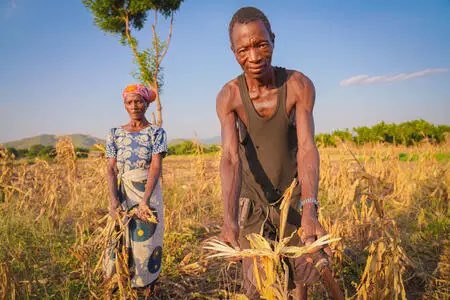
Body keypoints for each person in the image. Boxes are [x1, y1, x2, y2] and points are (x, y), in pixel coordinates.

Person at [216, 7, 331, 299]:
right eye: (243, 49)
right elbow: (229, 157)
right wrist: (229, 220)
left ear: (273, 40)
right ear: (232, 51)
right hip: (252, 202)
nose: (253, 57)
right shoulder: (229, 96)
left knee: (300, 281)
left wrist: (309, 209)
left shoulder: (297, 85)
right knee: (255, 287)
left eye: (261, 44)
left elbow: (306, 147)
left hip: (293, 198)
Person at [104, 83, 167, 296]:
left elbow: (156, 166)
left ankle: (146, 287)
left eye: (138, 101)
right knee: (119, 239)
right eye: (129, 102)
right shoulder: (114, 133)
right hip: (123, 193)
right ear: (124, 105)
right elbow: (111, 168)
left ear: (147, 103)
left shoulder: (156, 133)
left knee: (146, 241)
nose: (134, 106)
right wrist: (114, 201)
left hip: (147, 193)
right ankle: (120, 285)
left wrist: (144, 201)